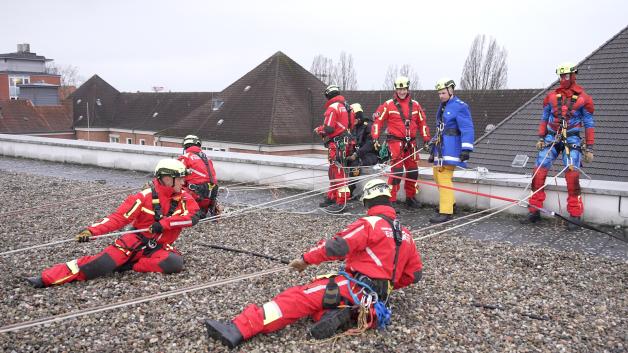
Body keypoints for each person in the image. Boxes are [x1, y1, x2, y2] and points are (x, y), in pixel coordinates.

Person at [203, 179, 423, 348]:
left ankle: (239, 328)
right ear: (388, 200)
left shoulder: (370, 223)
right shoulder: (405, 234)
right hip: (378, 298)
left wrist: (305, 260)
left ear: (367, 201)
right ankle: (347, 312)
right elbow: (414, 275)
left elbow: (336, 247)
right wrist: (383, 283)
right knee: (324, 300)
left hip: (354, 287)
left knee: (296, 298)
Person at [24, 159, 201, 288]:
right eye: (180, 178)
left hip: (159, 246)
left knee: (174, 263)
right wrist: (91, 231)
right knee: (97, 265)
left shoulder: (185, 198)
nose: (183, 182)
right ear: (167, 178)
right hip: (133, 242)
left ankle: (130, 265)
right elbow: (117, 218)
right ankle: (46, 278)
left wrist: (164, 224)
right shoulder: (142, 198)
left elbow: (192, 218)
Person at [521, 62, 595, 230]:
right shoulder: (551, 97)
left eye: (566, 76)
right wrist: (540, 137)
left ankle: (575, 215)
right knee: (538, 171)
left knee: (572, 174)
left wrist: (590, 147)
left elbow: (589, 124)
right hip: (551, 138)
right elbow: (544, 118)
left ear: (573, 75)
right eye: (561, 76)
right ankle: (534, 210)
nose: (563, 79)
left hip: (572, 140)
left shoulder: (583, 98)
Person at [371, 76, 431, 208]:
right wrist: (375, 137)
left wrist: (426, 140)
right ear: (396, 90)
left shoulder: (415, 105)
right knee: (397, 172)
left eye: (403, 89)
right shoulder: (388, 105)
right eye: (399, 89)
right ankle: (391, 201)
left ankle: (410, 197)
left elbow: (422, 123)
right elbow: (378, 121)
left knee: (413, 171)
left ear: (408, 89)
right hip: (396, 143)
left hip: (411, 144)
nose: (401, 92)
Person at [428, 78, 474, 223]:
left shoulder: (460, 106)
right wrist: (432, 146)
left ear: (451, 90)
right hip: (441, 147)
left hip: (451, 148)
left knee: (443, 177)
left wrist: (466, 149)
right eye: (439, 93)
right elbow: (440, 128)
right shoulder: (443, 106)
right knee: (437, 174)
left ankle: (446, 212)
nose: (440, 96)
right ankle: (449, 203)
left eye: (443, 93)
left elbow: (467, 128)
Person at [315, 84, 353, 213]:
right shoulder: (347, 106)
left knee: (338, 172)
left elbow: (329, 128)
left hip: (336, 144)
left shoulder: (333, 107)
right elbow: (351, 125)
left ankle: (341, 202)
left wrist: (320, 130)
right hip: (345, 142)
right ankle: (332, 197)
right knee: (334, 171)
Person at [178, 134, 220, 219]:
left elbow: (175, 174)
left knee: (174, 185)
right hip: (211, 197)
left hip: (195, 195)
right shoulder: (207, 159)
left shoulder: (185, 157)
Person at [346, 103, 379, 199]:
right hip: (357, 154)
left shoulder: (369, 126)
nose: (352, 121)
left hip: (370, 155)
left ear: (359, 118)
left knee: (355, 163)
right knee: (342, 161)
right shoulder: (353, 127)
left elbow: (369, 145)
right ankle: (340, 190)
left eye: (354, 119)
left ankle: (350, 191)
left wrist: (356, 155)